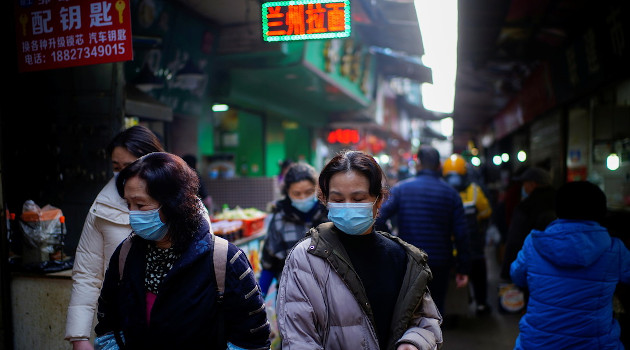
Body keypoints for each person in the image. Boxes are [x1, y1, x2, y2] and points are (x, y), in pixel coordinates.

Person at [94, 152, 270, 349]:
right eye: (128, 205)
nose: (132, 215)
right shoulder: (125, 255)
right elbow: (108, 327)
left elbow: (252, 339)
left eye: (141, 205)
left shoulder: (225, 259)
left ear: (173, 204)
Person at [277, 150, 442, 350]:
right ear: (325, 200)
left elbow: (425, 322)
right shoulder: (306, 258)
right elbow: (299, 340)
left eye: (358, 199)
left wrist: (412, 343)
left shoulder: (402, 258)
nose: (347, 207)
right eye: (337, 200)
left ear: (378, 200)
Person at [65, 125, 164, 349]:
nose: (121, 175)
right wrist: (79, 337)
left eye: (128, 167)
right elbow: (87, 274)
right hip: (122, 330)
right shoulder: (102, 207)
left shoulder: (182, 202)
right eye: (116, 167)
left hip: (176, 326)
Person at [510, 181, 630, 349]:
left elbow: (516, 275)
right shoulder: (615, 250)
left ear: (558, 209)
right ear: (601, 212)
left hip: (537, 344)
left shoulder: (534, 244)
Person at [375, 145, 470, 316]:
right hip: (441, 262)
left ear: (418, 164)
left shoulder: (401, 189)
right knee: (436, 307)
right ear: (439, 166)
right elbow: (462, 233)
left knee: (409, 308)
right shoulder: (451, 194)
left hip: (410, 260)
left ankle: (411, 341)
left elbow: (379, 217)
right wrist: (462, 267)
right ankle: (433, 340)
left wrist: (391, 241)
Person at [258, 162, 328, 298]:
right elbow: (269, 263)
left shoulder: (328, 215)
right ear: (288, 194)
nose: (303, 198)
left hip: (327, 295)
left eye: (308, 192)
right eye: (297, 193)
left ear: (316, 189)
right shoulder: (280, 220)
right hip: (291, 297)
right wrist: (260, 298)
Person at [443, 153, 493, 315]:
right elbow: (486, 211)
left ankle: (450, 309)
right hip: (472, 244)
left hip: (448, 246)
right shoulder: (474, 190)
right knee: (479, 274)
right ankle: (481, 305)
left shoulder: (443, 191)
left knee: (449, 280)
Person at [500, 167, 556, 280]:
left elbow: (515, 243)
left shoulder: (525, 208)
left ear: (532, 184)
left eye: (524, 184)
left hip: (532, 270)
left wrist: (506, 273)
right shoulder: (562, 203)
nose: (523, 187)